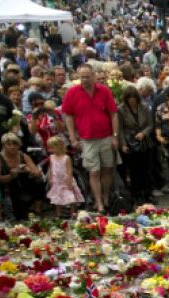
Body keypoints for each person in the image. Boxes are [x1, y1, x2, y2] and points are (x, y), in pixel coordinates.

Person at [61, 63, 119, 213]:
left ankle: (106, 197)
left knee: (107, 169)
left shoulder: (104, 91)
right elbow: (69, 116)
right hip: (87, 139)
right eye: (82, 77)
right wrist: (73, 138)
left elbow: (113, 113)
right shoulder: (72, 92)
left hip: (106, 136)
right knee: (94, 171)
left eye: (87, 77)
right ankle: (98, 202)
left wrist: (115, 135)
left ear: (94, 76)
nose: (85, 80)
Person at [118, 85, 154, 204]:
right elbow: (120, 129)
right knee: (134, 171)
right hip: (130, 142)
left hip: (144, 142)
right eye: (129, 98)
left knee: (146, 169)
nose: (132, 100)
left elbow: (150, 124)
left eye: (134, 97)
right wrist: (123, 144)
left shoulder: (144, 107)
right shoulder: (121, 110)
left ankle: (148, 193)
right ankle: (136, 194)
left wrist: (143, 133)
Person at [0, 133, 43, 220]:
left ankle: (38, 210)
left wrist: (29, 170)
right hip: (8, 188)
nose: (12, 147)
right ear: (4, 145)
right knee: (20, 215)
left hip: (24, 185)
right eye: (9, 144)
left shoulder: (23, 155)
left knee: (39, 181)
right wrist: (11, 175)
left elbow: (37, 173)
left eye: (15, 144)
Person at [44, 135, 83, 218]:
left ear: (59, 147)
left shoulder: (66, 158)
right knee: (57, 198)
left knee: (71, 197)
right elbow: (51, 168)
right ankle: (59, 214)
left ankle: (73, 213)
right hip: (56, 181)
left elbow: (69, 170)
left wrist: (69, 181)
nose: (50, 150)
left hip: (66, 180)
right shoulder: (52, 157)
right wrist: (50, 178)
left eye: (52, 148)